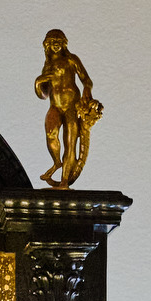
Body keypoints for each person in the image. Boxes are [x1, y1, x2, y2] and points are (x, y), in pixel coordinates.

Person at [34, 29, 102, 187]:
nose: (56, 45)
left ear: (63, 44)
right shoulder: (48, 65)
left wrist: (87, 90)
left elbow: (86, 80)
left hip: (72, 106)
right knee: (51, 134)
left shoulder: (71, 59)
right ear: (48, 45)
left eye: (59, 42)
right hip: (55, 106)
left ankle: (64, 181)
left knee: (70, 142)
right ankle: (57, 162)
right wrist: (39, 81)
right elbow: (43, 95)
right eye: (53, 42)